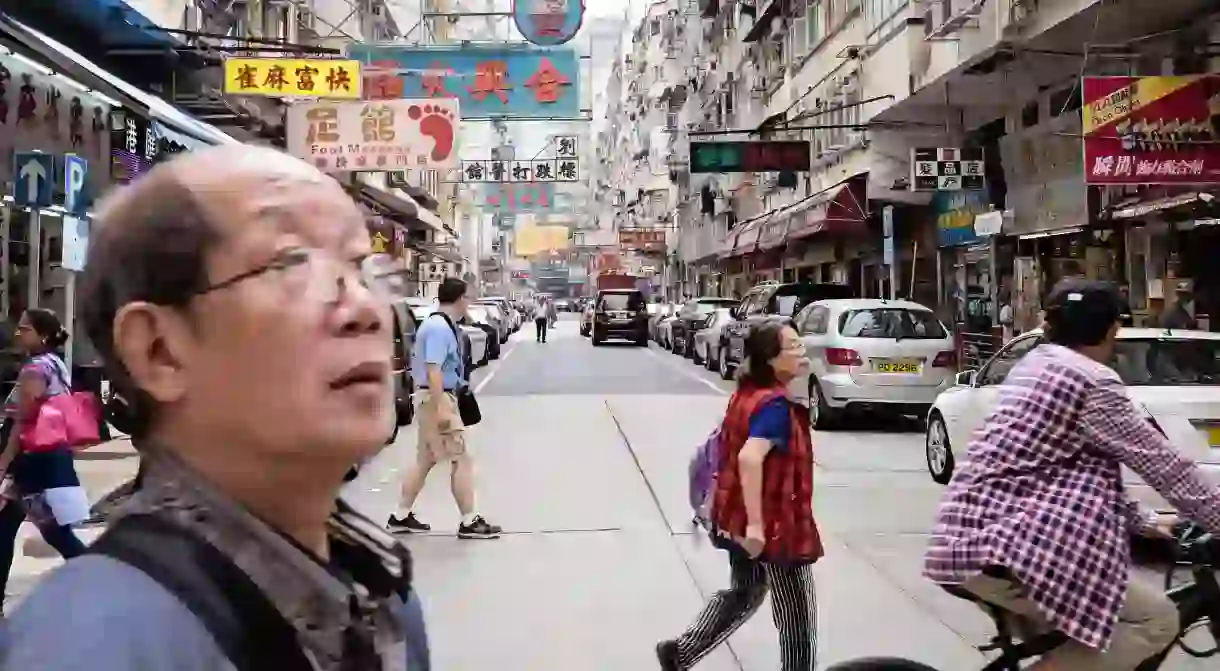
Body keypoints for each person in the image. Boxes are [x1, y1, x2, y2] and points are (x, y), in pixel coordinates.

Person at [1, 146, 430, 669]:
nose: (365, 309)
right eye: (290, 262)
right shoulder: (92, 647)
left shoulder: (380, 594)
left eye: (361, 267)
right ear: (158, 349)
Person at [924, 278, 1220, 671]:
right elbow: (1168, 469)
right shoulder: (1091, 381)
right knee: (1156, 620)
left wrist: (1147, 520)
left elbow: (1066, 473)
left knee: (1083, 644)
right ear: (1113, 328)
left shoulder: (1036, 365)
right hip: (1011, 548)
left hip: (973, 539)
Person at [657, 321, 822, 671]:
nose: (802, 351)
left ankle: (681, 653)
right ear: (771, 359)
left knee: (745, 592)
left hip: (735, 517)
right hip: (773, 527)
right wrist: (759, 528)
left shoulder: (745, 395)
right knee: (797, 619)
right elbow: (749, 458)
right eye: (792, 346)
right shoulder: (775, 406)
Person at [387, 277, 500, 539]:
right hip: (438, 398)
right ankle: (469, 520)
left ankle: (400, 516)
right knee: (462, 459)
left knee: (426, 460)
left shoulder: (440, 324)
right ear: (460, 299)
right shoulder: (439, 328)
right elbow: (433, 370)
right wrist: (442, 411)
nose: (469, 303)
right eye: (468, 298)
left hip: (432, 397)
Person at [0, 308, 89, 614]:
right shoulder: (57, 366)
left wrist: (4, 464)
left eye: (25, 329)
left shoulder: (35, 371)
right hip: (42, 461)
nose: (19, 333)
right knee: (13, 528)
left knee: (52, 532)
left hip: (28, 464)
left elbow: (22, 423)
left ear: (44, 334)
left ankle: (94, 580)